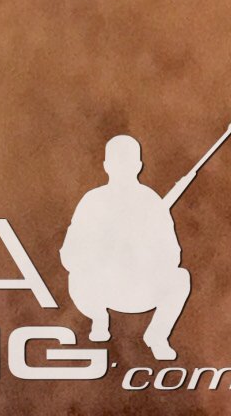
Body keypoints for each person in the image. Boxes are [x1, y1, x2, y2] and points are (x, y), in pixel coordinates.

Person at [66, 134, 196, 360]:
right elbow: (69, 254)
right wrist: (102, 255)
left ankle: (157, 335)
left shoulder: (151, 201)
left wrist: (142, 253)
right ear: (106, 166)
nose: (122, 168)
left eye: (127, 162)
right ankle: (99, 318)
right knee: (76, 276)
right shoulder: (92, 201)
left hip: (140, 287)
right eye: (117, 162)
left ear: (138, 166)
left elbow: (172, 255)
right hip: (100, 288)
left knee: (180, 278)